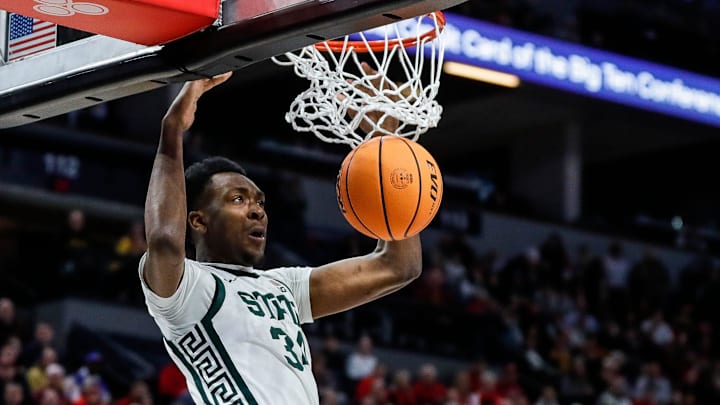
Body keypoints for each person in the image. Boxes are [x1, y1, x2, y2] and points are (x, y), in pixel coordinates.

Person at [138, 68, 423, 404]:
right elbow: (164, 241)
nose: (257, 210)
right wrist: (172, 132)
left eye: (260, 201)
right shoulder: (189, 290)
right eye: (238, 199)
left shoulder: (283, 286)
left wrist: (384, 139)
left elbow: (398, 265)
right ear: (198, 221)